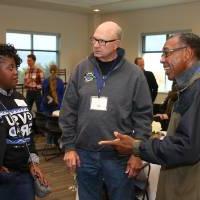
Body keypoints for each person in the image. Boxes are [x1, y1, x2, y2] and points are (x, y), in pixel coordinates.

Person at [99, 33, 200, 200]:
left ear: (187, 53)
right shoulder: (187, 88)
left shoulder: (196, 90)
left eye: (167, 53)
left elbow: (185, 147)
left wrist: (136, 147)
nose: (162, 59)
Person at [59, 21, 153, 200]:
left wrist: (137, 153)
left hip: (119, 156)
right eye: (94, 39)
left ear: (117, 43)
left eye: (102, 41)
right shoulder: (81, 69)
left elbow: (143, 116)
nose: (96, 45)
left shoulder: (134, 74)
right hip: (84, 153)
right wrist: (69, 147)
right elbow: (68, 110)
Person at [0, 44, 48, 199]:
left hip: (26, 175)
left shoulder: (20, 98)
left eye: (16, 68)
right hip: (4, 178)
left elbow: (28, 134)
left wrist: (33, 162)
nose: (15, 73)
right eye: (10, 68)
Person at [40, 64, 65, 145]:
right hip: (58, 108)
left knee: (49, 125)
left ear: (49, 71)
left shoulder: (45, 81)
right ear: (57, 71)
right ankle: (58, 142)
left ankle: (49, 142)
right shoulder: (61, 82)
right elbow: (63, 95)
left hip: (46, 107)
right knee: (57, 125)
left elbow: (43, 94)